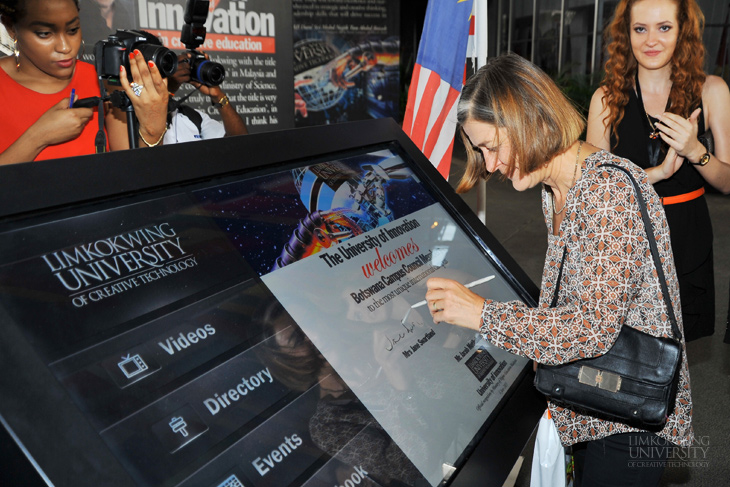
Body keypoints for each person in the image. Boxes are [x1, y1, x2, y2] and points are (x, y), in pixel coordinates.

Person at [425, 53, 693, 486]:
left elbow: (592, 328)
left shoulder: (606, 190)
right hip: (596, 400)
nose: (490, 165)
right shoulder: (556, 190)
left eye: (491, 146)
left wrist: (482, 314)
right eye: (480, 152)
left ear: (529, 117)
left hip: (631, 417)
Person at [586, 0, 730, 343]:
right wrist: (658, 173)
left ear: (683, 32)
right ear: (627, 34)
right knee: (626, 358)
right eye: (640, 29)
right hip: (625, 240)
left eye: (664, 27)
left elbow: (727, 182)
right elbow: (592, 188)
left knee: (671, 362)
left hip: (687, 240)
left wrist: (697, 152)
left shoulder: (712, 90)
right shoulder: (606, 99)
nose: (651, 40)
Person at [0, 0, 168, 165]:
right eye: (44, 33)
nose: (65, 47)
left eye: (72, 30)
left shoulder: (102, 82)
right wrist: (38, 136)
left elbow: (135, 174)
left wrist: (152, 128)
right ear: (10, 27)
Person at [165, 50, 248, 144]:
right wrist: (168, 89)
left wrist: (218, 96)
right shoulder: (146, 117)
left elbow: (240, 143)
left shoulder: (194, 117)